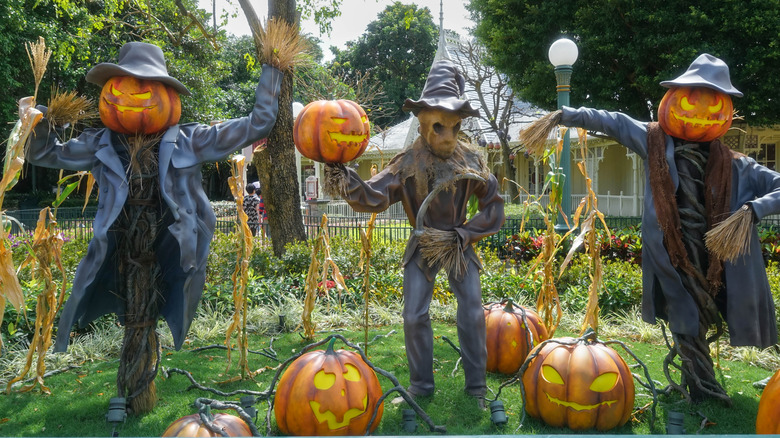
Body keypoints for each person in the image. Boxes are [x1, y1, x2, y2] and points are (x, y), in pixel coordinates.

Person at [523, 53, 779, 402]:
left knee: (710, 310)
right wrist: (564, 115)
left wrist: (754, 209)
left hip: (719, 260)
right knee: (685, 316)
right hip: (673, 258)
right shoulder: (652, 140)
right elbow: (611, 120)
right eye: (690, 97)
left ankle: (706, 383)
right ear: (672, 98)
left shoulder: (739, 166)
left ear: (727, 109)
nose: (699, 109)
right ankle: (701, 387)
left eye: (713, 101)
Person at [23, 41, 283, 353]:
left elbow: (258, 123)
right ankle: (130, 385)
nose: (131, 97)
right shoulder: (100, 144)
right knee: (130, 312)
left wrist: (272, 71)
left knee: (154, 307)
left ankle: (138, 380)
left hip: (169, 248)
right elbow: (46, 154)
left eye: (146, 89)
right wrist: (36, 121)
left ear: (167, 93)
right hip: (120, 249)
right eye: (121, 86)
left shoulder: (191, 141)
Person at [325, 60, 505, 407]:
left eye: (454, 127)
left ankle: (477, 388)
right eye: (439, 127)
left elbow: (494, 206)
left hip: (457, 244)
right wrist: (340, 173)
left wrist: (465, 234)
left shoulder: (471, 161)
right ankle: (421, 386)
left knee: (471, 309)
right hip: (423, 244)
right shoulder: (407, 162)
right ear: (423, 123)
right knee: (413, 315)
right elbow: (373, 195)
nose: (448, 137)